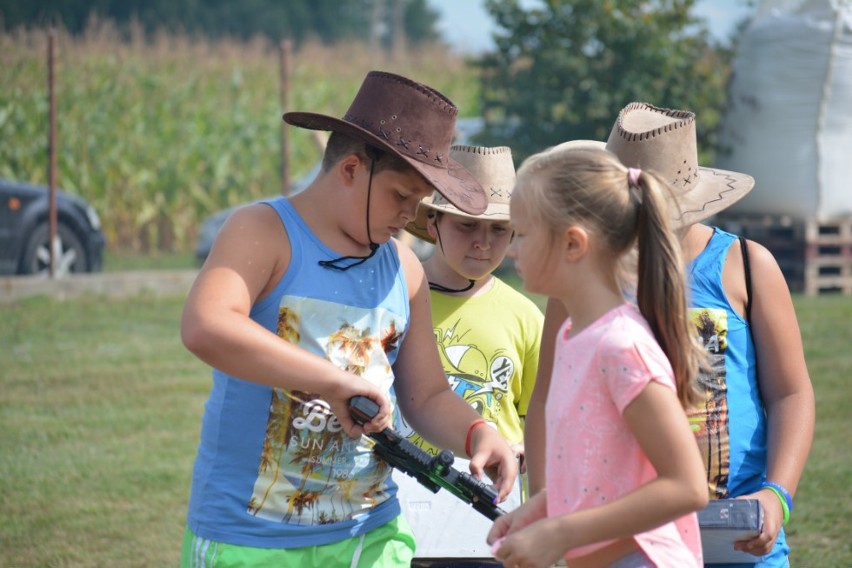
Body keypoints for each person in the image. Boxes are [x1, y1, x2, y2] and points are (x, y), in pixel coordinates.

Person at [179, 70, 518, 568]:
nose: (409, 216)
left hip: (369, 535)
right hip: (248, 540)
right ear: (352, 169)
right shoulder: (264, 231)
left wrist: (477, 434)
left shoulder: (403, 269)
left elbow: (425, 395)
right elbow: (206, 325)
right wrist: (333, 383)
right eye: (401, 196)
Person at [523, 103, 816, 567]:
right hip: (621, 544)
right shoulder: (580, 282)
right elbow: (547, 399)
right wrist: (544, 507)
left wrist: (776, 495)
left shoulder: (747, 264)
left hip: (739, 539)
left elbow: (791, 392)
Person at [488, 143, 709, 567]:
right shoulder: (573, 335)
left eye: (523, 234)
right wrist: (545, 509)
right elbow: (604, 470)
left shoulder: (621, 346)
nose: (512, 249)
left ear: (573, 244)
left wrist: (562, 531)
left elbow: (687, 486)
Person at [397, 145, 544, 566]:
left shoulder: (526, 316)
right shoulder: (394, 295)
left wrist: (518, 450)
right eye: (466, 225)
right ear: (434, 221)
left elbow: (536, 423)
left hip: (484, 526)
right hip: (394, 516)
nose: (483, 243)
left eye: (500, 229)